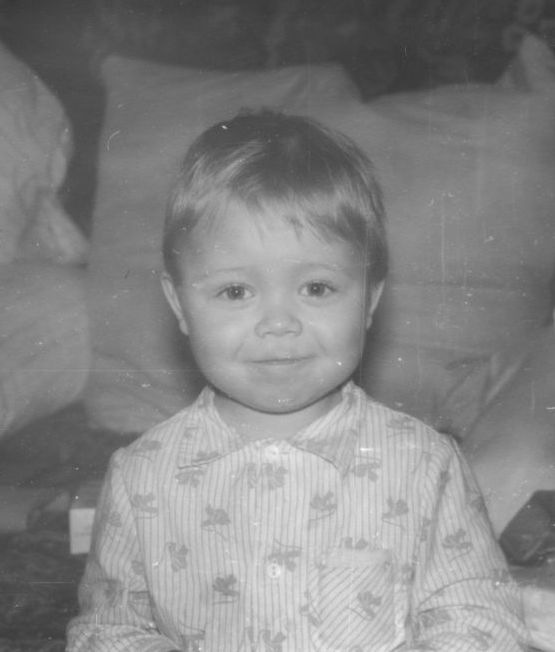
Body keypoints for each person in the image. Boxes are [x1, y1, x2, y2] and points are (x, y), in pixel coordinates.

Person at [67, 110, 526, 651]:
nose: (279, 323)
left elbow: (481, 623)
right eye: (236, 291)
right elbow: (107, 631)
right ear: (179, 304)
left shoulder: (426, 465)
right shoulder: (140, 476)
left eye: (316, 288)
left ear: (370, 300)